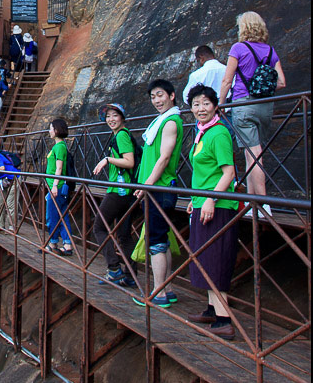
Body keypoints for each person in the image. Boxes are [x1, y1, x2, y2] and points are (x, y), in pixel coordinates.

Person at [218, 11, 286, 216]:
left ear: (244, 28)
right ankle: (250, 203)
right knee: (252, 154)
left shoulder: (238, 48)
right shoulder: (270, 51)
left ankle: (263, 204)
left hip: (243, 105)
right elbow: (282, 82)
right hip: (265, 106)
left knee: (254, 155)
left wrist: (221, 106)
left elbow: (227, 81)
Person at [185, 85, 240, 340]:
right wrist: (196, 200)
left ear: (215, 105)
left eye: (206, 103)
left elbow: (228, 172)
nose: (201, 109)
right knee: (205, 257)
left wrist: (209, 199)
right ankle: (212, 309)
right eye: (196, 104)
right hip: (203, 203)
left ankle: (224, 320)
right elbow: (204, 173)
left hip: (218, 206)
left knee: (215, 259)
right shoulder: (202, 133)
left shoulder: (218, 134)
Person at [132, 80, 184, 308]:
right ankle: (167, 288)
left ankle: (159, 292)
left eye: (160, 95)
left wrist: (147, 185)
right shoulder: (161, 121)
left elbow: (164, 158)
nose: (156, 100)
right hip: (158, 188)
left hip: (159, 189)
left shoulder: (171, 122)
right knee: (160, 238)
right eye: (153, 96)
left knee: (156, 242)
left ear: (172, 95)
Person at [90, 103, 138, 287]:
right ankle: (131, 275)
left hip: (119, 191)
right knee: (124, 235)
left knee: (99, 228)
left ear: (122, 117)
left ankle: (114, 269)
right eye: (108, 116)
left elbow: (129, 162)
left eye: (114, 115)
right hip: (127, 191)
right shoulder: (119, 135)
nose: (111, 119)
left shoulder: (122, 135)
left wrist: (107, 160)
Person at [45, 117, 73, 255]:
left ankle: (53, 242)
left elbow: (59, 168)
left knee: (52, 216)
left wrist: (55, 186)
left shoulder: (60, 146)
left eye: (51, 128)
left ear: (56, 130)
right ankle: (66, 245)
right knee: (62, 215)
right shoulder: (59, 146)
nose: (49, 131)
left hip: (57, 186)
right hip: (56, 186)